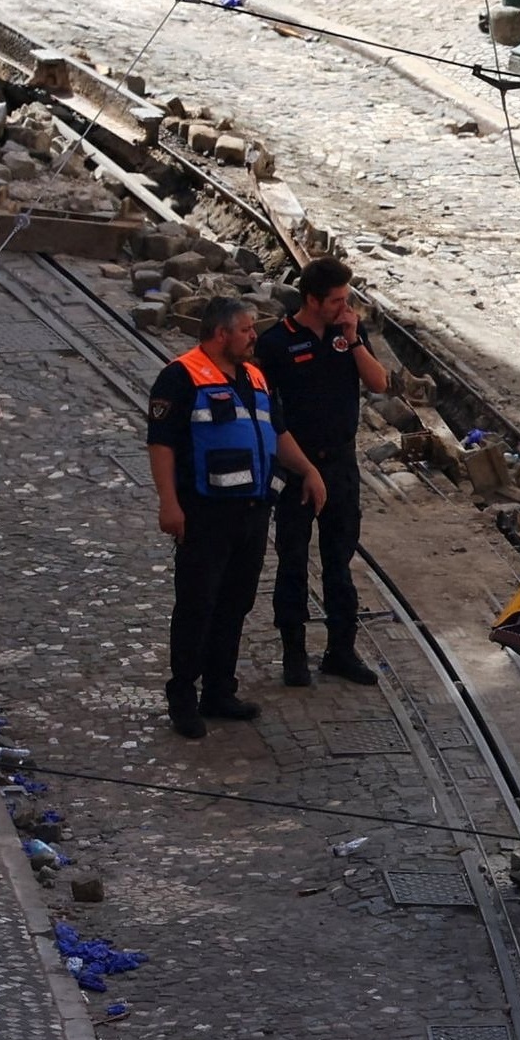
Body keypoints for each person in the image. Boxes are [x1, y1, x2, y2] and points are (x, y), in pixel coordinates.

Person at [144, 297, 330, 741]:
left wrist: (308, 470)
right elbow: (161, 444)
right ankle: (183, 696)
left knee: (235, 604)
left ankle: (219, 690)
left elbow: (277, 433)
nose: (253, 337)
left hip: (251, 512)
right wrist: (168, 503)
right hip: (204, 514)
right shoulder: (181, 376)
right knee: (197, 605)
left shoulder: (254, 376)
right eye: (246, 330)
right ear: (221, 333)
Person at [254, 257, 393, 689]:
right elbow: (266, 410)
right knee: (293, 561)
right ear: (312, 300)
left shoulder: (347, 333)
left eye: (347, 299)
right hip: (297, 466)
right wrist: (297, 464)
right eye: (336, 300)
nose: (345, 307)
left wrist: (353, 341)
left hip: (341, 464)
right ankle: (294, 653)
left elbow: (379, 383)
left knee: (340, 560)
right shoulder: (276, 343)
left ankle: (341, 650)